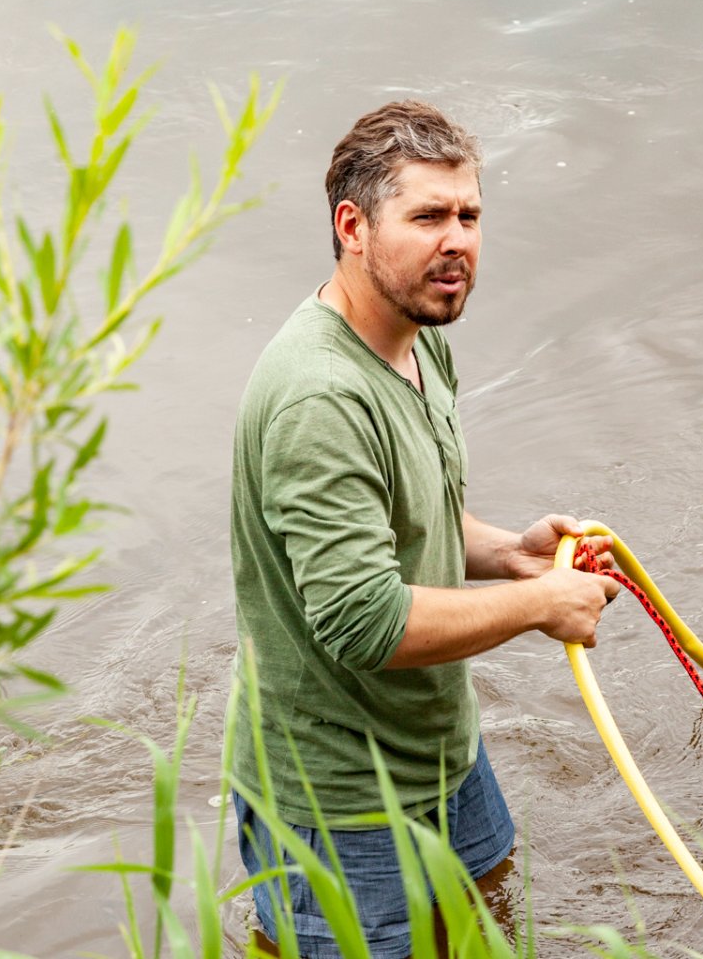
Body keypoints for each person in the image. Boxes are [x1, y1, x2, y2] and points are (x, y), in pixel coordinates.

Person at [228, 99, 620, 958]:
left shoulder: (419, 334)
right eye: (429, 217)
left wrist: (509, 556)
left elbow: (415, 517)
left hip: (441, 753)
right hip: (336, 801)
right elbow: (364, 619)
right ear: (353, 227)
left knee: (491, 921)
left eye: (469, 216)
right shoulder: (320, 399)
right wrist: (542, 607)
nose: (458, 242)